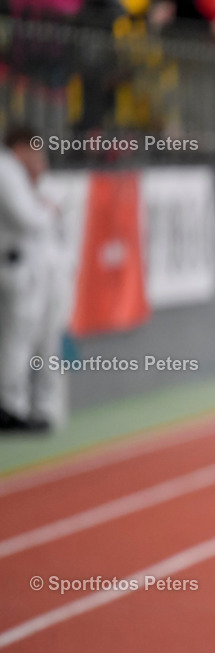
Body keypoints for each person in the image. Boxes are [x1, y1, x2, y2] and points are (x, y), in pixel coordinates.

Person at [0, 125, 62, 432]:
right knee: (16, 340)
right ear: (20, 146)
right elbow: (28, 219)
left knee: (29, 340)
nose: (38, 159)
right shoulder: (6, 169)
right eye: (33, 151)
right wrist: (46, 211)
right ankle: (11, 408)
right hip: (12, 265)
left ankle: (23, 406)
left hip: (24, 267)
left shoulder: (21, 174)